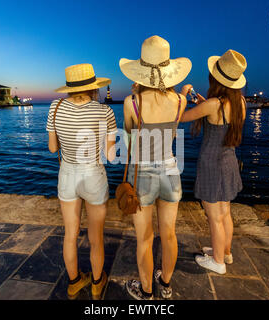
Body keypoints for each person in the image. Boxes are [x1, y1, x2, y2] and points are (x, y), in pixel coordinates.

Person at [119, 35, 191, 300]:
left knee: (145, 238)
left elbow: (128, 139)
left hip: (144, 174)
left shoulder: (132, 102)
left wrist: (137, 94)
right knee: (169, 234)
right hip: (171, 171)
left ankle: (146, 291)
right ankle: (167, 283)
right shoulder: (180, 102)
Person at [46, 63, 117, 299]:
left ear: (68, 87)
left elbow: (52, 147)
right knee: (96, 236)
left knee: (70, 233)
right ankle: (97, 283)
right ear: (94, 87)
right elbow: (110, 155)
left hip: (67, 174)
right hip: (93, 175)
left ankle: (75, 282)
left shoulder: (55, 108)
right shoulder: (104, 111)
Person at [180, 49, 247, 274]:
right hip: (229, 163)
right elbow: (216, 111)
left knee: (214, 217)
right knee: (225, 212)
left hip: (211, 165)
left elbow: (182, 117)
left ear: (215, 79)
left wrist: (183, 95)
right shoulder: (241, 104)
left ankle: (217, 262)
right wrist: (203, 102)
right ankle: (225, 253)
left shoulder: (213, 105)